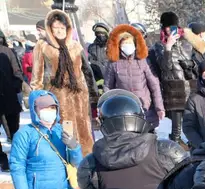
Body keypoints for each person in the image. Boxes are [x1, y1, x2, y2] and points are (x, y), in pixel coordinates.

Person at [31, 10, 98, 154]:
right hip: (57, 99)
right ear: (50, 29)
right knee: (64, 135)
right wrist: (37, 101)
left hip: (80, 98)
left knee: (84, 132)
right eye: (56, 28)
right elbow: (37, 78)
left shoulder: (76, 46)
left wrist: (93, 97)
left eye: (62, 27)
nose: (60, 31)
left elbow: (87, 72)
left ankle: (87, 164)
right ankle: (67, 165)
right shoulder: (42, 46)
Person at [153, 12, 205, 147]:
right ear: (163, 28)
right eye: (168, 28)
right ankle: (175, 143)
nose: (171, 30)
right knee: (176, 125)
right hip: (174, 88)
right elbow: (165, 67)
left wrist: (191, 64)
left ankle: (193, 143)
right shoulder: (160, 45)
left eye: (173, 27)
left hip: (190, 85)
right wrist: (168, 47)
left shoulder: (187, 42)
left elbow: (198, 61)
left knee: (192, 119)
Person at [105, 24, 165, 130]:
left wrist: (159, 108)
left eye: (130, 43)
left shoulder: (143, 61)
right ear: (119, 45)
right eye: (124, 43)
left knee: (148, 140)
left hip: (144, 107)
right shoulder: (114, 63)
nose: (127, 46)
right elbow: (108, 87)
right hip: (124, 109)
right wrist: (105, 108)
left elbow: (154, 85)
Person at [0, 30, 24, 172]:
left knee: (14, 131)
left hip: (9, 97)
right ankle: (3, 160)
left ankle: (16, 158)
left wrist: (15, 87)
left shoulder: (8, 52)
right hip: (7, 97)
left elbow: (17, 72)